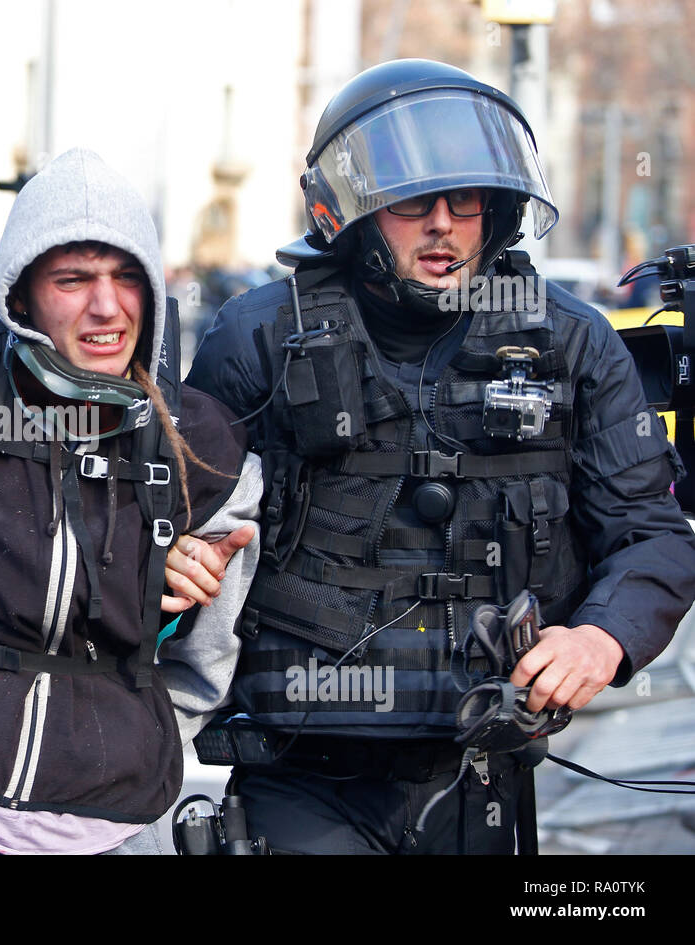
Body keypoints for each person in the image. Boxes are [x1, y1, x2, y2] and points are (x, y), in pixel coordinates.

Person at [170, 59, 695, 854]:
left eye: (467, 199)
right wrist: (173, 560)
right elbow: (165, 521)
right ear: (353, 211)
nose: (444, 223)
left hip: (485, 775)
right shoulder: (259, 336)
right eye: (415, 201)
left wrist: (601, 638)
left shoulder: (572, 342)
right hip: (302, 776)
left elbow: (651, 532)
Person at [0, 147, 263, 855]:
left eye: (127, 277)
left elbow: (210, 654)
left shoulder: (202, 449)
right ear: (21, 291)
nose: (106, 305)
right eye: (73, 278)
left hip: (121, 823)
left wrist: (152, 720)